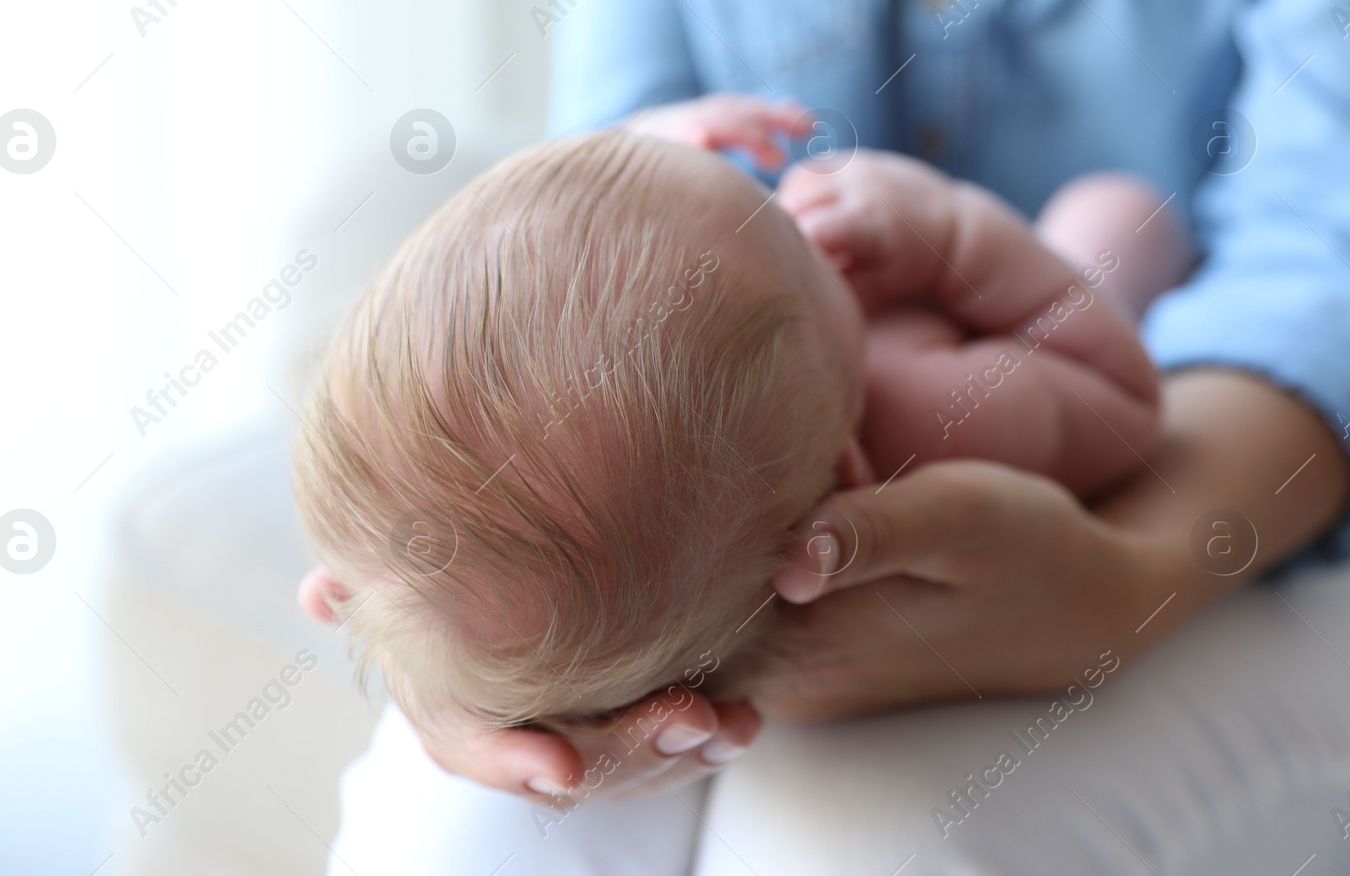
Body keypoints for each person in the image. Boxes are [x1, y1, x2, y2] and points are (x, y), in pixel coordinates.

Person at [310, 0, 1350, 871]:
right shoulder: (940, 396)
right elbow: (1110, 384)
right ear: (846, 469)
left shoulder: (857, 394)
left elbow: (1332, 262)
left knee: (853, 848)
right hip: (894, 471)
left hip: (1280, 501)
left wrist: (1124, 580)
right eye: (776, 224)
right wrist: (459, 632)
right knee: (465, 837)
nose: (791, 198)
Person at [292, 112, 1179, 740]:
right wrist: (956, 235)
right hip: (1037, 326)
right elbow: (1124, 401)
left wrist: (668, 144)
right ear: (852, 474)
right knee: (1117, 215)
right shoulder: (944, 414)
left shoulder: (694, 530)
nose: (795, 199)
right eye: (788, 238)